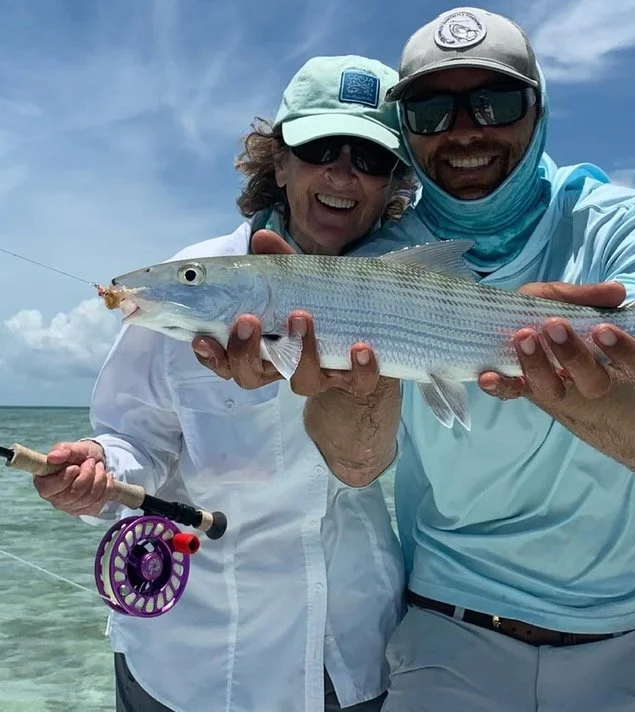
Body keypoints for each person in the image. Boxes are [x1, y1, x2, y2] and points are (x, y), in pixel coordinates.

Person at [203, 7, 635, 711]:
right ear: (409, 130)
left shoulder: (629, 225)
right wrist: (356, 385)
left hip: (630, 637)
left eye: (496, 102)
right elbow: (355, 464)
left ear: (539, 110)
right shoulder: (380, 257)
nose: (467, 130)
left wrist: (560, 381)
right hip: (446, 632)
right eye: (434, 111)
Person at [32, 54, 418, 712]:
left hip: (354, 648)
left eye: (371, 159)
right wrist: (97, 466)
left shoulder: (411, 292)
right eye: (321, 147)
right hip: (196, 657)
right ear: (281, 161)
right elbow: (132, 436)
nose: (343, 174)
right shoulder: (189, 282)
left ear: (390, 184)